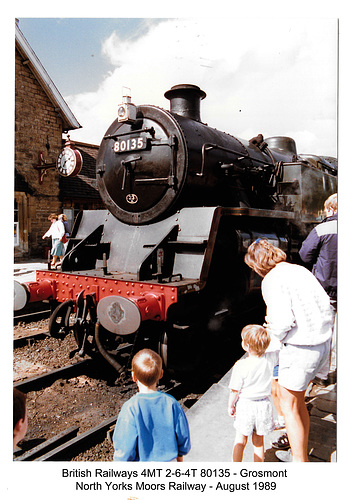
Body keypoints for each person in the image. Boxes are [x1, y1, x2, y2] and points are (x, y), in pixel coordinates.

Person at [244, 239, 334, 462]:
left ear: (257, 265)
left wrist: (266, 346)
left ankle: (299, 462)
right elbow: (325, 303)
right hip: (321, 342)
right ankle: (298, 452)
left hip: (301, 348)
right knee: (298, 402)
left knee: (289, 406)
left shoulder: (272, 280)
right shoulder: (298, 270)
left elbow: (282, 322)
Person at [112, 349, 191, 462]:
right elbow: (183, 436)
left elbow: (125, 448)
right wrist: (180, 456)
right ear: (161, 374)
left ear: (133, 376)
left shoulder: (130, 408)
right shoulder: (171, 403)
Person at [299, 193, 337, 383]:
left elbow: (305, 256)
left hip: (326, 288)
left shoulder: (322, 229)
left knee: (324, 331)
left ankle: (322, 375)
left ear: (331, 209)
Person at [228, 324, 279, 462]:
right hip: (264, 405)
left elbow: (235, 390)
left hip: (246, 406)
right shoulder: (271, 359)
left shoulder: (240, 365)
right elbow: (280, 349)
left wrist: (230, 406)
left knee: (240, 439)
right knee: (258, 442)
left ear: (247, 346)